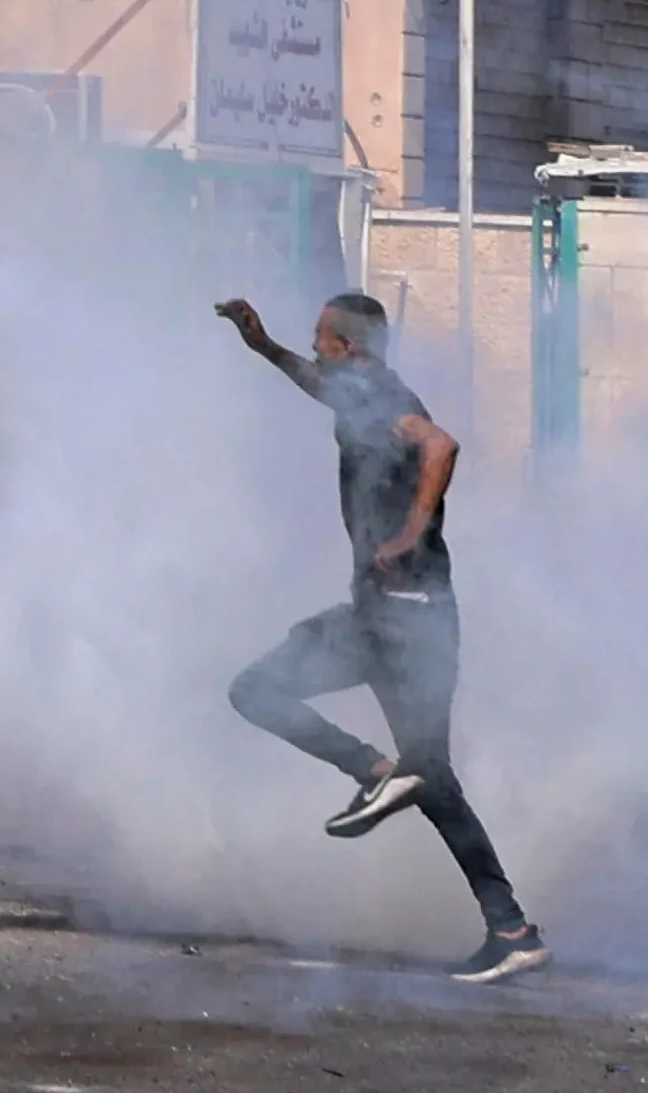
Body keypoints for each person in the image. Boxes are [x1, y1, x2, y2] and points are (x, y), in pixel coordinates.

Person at [216, 292, 549, 985]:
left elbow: (440, 445)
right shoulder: (357, 390)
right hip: (395, 616)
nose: (313, 351)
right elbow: (318, 386)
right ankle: (511, 929)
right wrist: (264, 346)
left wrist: (407, 534)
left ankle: (379, 773)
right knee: (433, 779)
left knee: (257, 690)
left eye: (318, 339)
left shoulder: (383, 392)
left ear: (349, 346)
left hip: (402, 618)